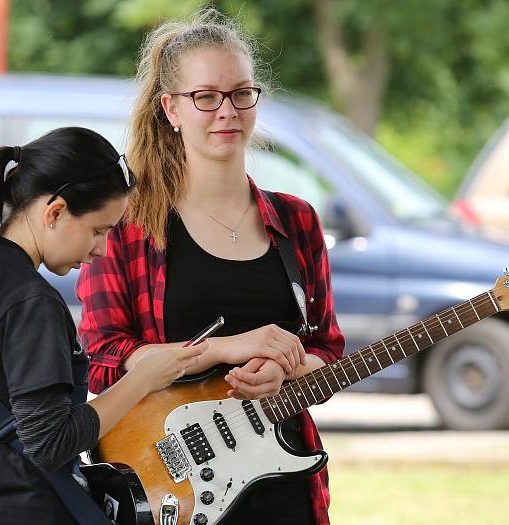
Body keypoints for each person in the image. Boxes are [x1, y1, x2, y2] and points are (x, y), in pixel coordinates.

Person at [77, 11, 344, 525]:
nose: (227, 111)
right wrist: (220, 350)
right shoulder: (129, 226)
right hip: (172, 490)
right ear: (171, 109)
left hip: (287, 485)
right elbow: (102, 361)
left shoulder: (298, 220)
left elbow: (326, 352)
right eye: (206, 97)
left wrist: (288, 368)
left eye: (242, 93)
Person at [0, 127, 205, 524]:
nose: (101, 250)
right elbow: (51, 443)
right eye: (98, 230)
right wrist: (142, 379)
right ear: (55, 211)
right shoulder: (31, 302)